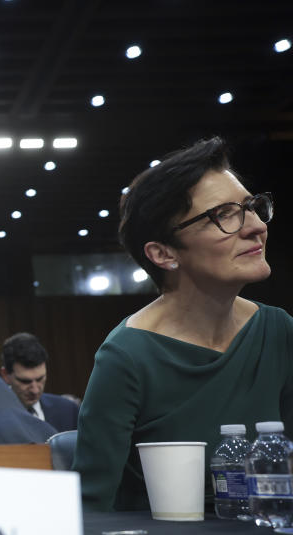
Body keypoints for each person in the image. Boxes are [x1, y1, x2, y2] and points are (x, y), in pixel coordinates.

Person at [72, 137, 293, 511]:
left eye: (253, 207)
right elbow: (89, 509)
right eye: (224, 214)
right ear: (163, 253)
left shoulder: (278, 330)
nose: (256, 226)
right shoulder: (126, 357)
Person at [0, 333, 78, 431]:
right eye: (25, 381)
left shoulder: (68, 410)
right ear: (5, 375)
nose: (35, 390)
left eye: (40, 379)